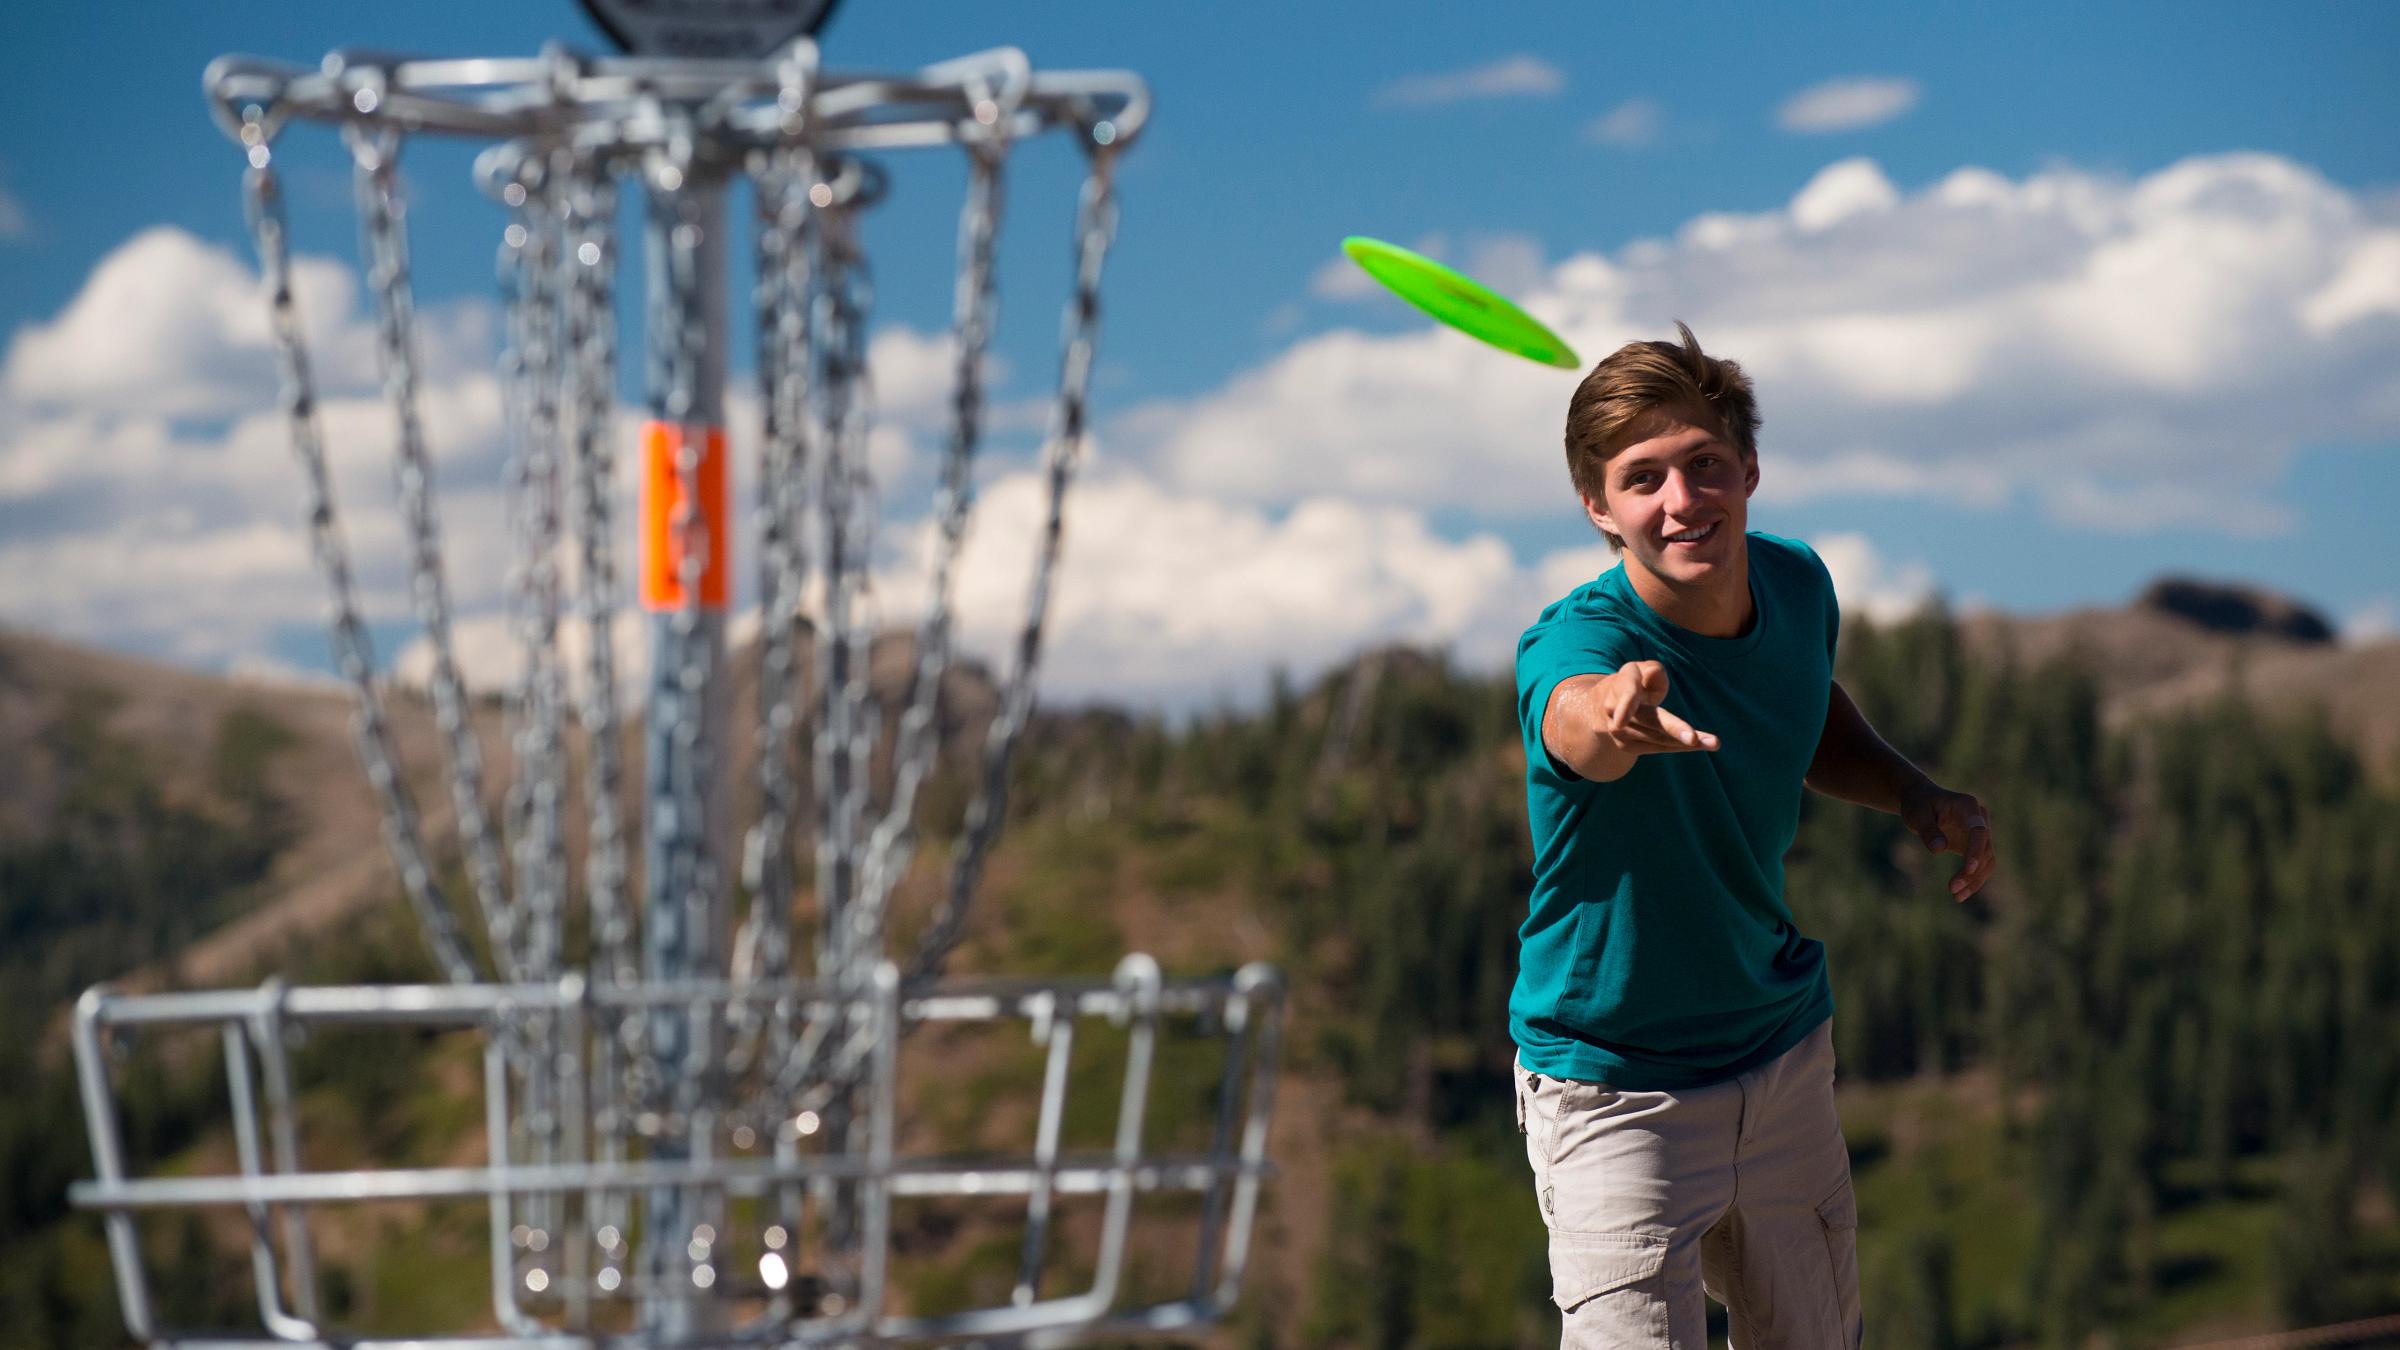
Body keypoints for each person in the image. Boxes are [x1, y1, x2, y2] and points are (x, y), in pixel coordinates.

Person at [1511, 323, 1996, 1348]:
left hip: (1780, 1062)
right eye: (1643, 479)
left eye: (1705, 465)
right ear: (1598, 507)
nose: (1682, 501)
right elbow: (1574, 720)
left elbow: (1807, 708)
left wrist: (1915, 794)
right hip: (1612, 1093)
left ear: (1750, 470)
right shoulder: (1579, 641)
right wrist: (1617, 717)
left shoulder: (1795, 584)